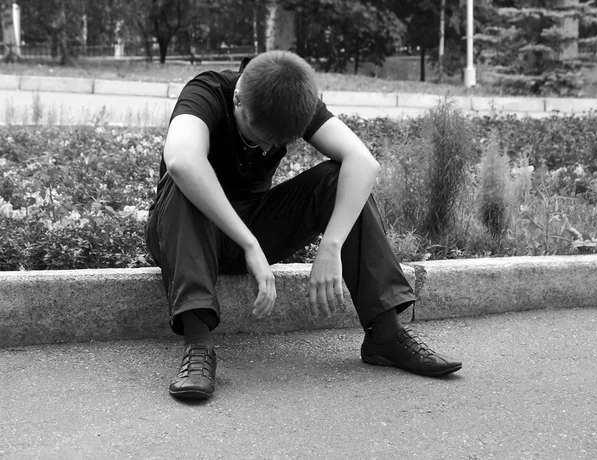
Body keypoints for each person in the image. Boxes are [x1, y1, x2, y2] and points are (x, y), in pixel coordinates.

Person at [145, 50, 462, 401]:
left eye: (275, 143)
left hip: (253, 228)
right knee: (185, 179)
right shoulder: (208, 91)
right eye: (257, 133)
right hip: (184, 233)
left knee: (339, 177)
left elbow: (363, 162)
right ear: (237, 98)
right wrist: (250, 245)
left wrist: (332, 244)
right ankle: (198, 344)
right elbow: (182, 160)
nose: (264, 146)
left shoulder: (296, 101)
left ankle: (385, 335)